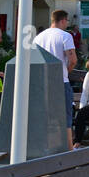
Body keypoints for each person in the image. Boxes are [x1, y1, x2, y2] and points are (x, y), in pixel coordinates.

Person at [33, 9, 78, 147]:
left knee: (45, 116)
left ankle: (47, 146)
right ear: (63, 20)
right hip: (60, 81)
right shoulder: (65, 36)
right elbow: (73, 59)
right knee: (65, 117)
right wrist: (67, 71)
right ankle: (68, 148)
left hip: (43, 81)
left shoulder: (38, 38)